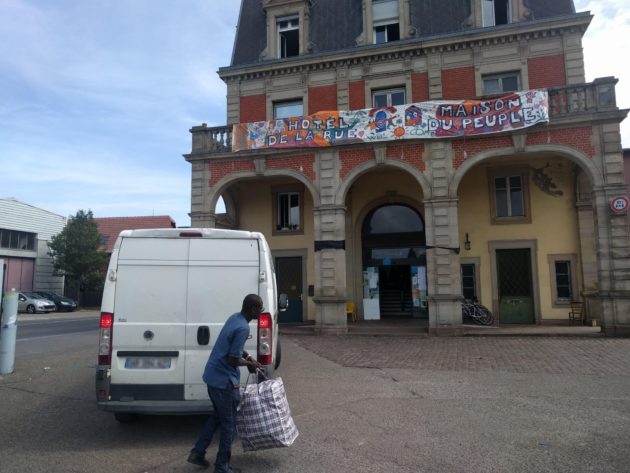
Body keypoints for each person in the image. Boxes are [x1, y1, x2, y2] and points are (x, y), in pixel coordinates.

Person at [187, 294, 263, 472]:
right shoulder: (243, 327)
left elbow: (234, 348)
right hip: (223, 382)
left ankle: (197, 453)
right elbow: (232, 359)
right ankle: (222, 466)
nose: (261, 311)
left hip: (212, 377)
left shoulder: (235, 318)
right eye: (260, 308)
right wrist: (250, 364)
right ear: (252, 309)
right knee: (228, 424)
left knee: (217, 417)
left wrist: (248, 356)